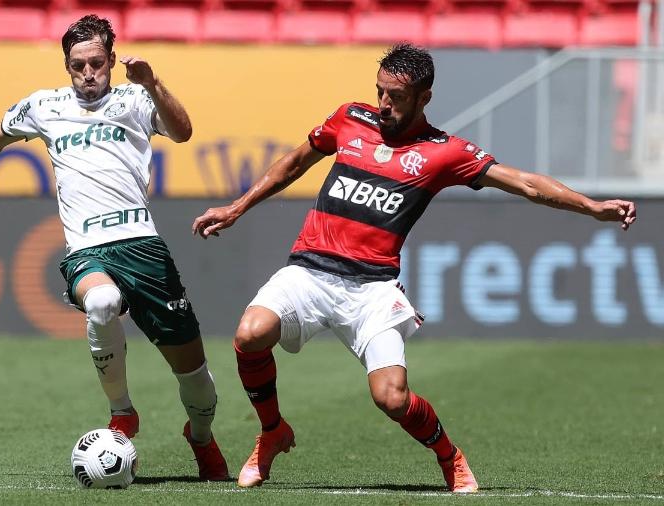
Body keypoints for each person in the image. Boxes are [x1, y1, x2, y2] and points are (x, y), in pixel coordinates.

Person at [192, 43, 636, 492]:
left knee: (391, 397)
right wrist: (237, 207)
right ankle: (272, 432)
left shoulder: (443, 152)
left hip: (372, 291)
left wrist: (592, 207)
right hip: (310, 270)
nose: (384, 104)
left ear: (424, 97)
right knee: (250, 333)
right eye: (380, 91)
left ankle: (449, 456)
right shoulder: (349, 118)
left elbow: (524, 182)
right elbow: (293, 163)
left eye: (397, 96)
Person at [0, 15, 228, 481]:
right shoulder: (44, 105)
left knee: (194, 377)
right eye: (78, 65)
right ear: (67, 66)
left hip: (143, 247)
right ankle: (122, 411)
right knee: (101, 302)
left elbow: (183, 131)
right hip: (88, 250)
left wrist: (154, 83)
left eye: (96, 63)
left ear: (112, 61)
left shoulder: (136, 98)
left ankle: (199, 435)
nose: (88, 73)